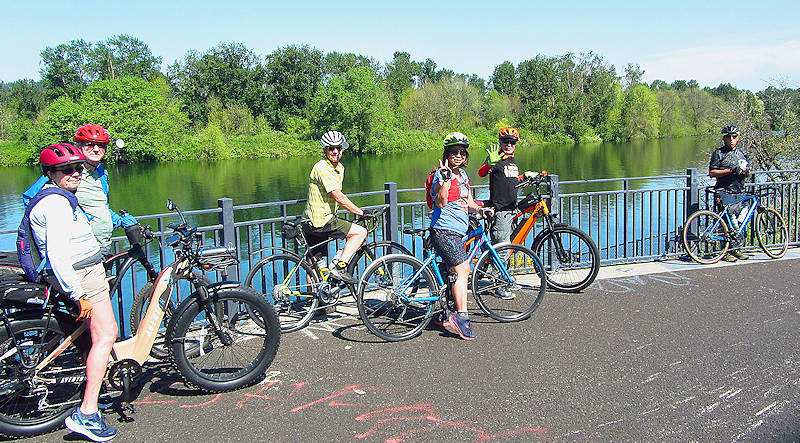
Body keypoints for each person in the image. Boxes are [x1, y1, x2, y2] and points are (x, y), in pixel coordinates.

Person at [29, 144, 118, 441]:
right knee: (107, 335)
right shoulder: (55, 204)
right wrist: (77, 293)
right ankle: (88, 413)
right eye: (66, 170)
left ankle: (91, 394)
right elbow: (56, 254)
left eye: (78, 168)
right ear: (50, 173)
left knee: (92, 337)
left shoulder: (63, 198)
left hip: (86, 271)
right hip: (82, 276)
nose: (75, 174)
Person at [23, 124, 137, 258]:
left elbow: (100, 206)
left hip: (104, 244)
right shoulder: (68, 174)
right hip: (81, 251)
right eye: (89, 144)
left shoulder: (101, 173)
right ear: (79, 146)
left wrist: (117, 220)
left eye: (101, 145)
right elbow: (31, 199)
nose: (96, 149)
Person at [429, 132, 491, 340]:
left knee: (453, 272)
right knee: (464, 269)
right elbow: (440, 202)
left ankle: (444, 312)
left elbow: (470, 203)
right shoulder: (441, 174)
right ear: (447, 154)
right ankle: (461, 317)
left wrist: (482, 211)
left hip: (457, 231)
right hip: (444, 231)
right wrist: (445, 179)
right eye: (454, 152)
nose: (458, 155)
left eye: (462, 153)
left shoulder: (464, 177)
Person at [477, 127, 537, 298]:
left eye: (512, 142)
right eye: (506, 141)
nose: (509, 144)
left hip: (512, 210)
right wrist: (490, 163)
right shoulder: (496, 158)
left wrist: (525, 176)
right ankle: (500, 286)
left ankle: (505, 279)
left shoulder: (512, 161)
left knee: (508, 248)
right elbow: (481, 172)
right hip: (500, 210)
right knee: (502, 250)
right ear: (500, 143)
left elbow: (511, 180)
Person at [302, 130, 368, 283]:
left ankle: (317, 301)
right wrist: (361, 212)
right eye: (331, 148)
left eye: (339, 148)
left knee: (314, 263)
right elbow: (338, 196)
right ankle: (340, 268)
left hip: (311, 220)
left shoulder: (338, 168)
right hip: (322, 220)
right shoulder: (323, 168)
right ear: (325, 149)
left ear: (342, 149)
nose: (335, 151)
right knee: (360, 233)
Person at [709, 124, 751, 262]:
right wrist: (730, 170)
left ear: (738, 138)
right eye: (728, 137)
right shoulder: (718, 153)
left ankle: (736, 250)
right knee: (725, 223)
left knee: (738, 223)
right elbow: (712, 172)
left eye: (734, 137)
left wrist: (746, 172)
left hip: (739, 191)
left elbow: (747, 170)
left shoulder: (742, 153)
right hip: (723, 191)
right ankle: (725, 251)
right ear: (724, 139)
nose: (731, 139)